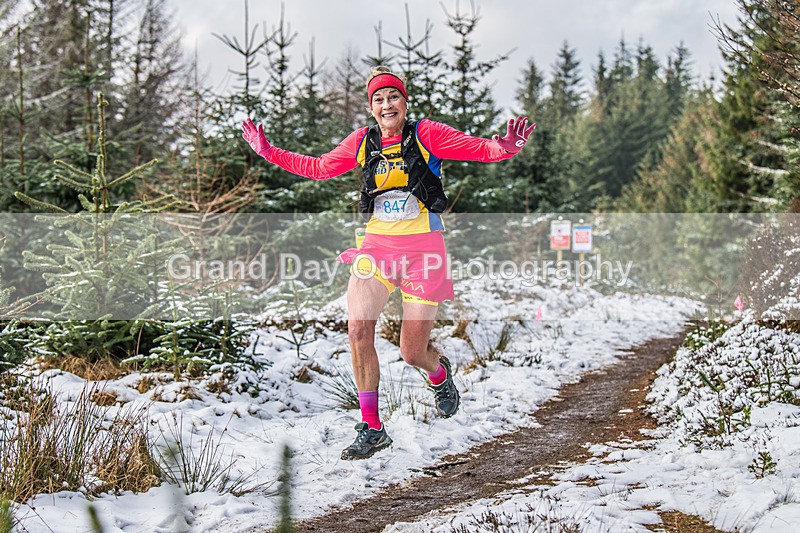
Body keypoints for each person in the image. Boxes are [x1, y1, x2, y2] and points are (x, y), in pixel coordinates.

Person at [242, 66, 535, 460]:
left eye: (392, 97)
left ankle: (438, 374)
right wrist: (268, 152)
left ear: (404, 101)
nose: (386, 105)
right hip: (376, 249)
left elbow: (478, 148)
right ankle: (372, 427)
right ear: (371, 108)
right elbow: (317, 167)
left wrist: (506, 148)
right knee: (359, 329)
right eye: (378, 100)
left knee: (412, 351)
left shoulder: (426, 134)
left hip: (423, 253)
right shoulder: (364, 142)